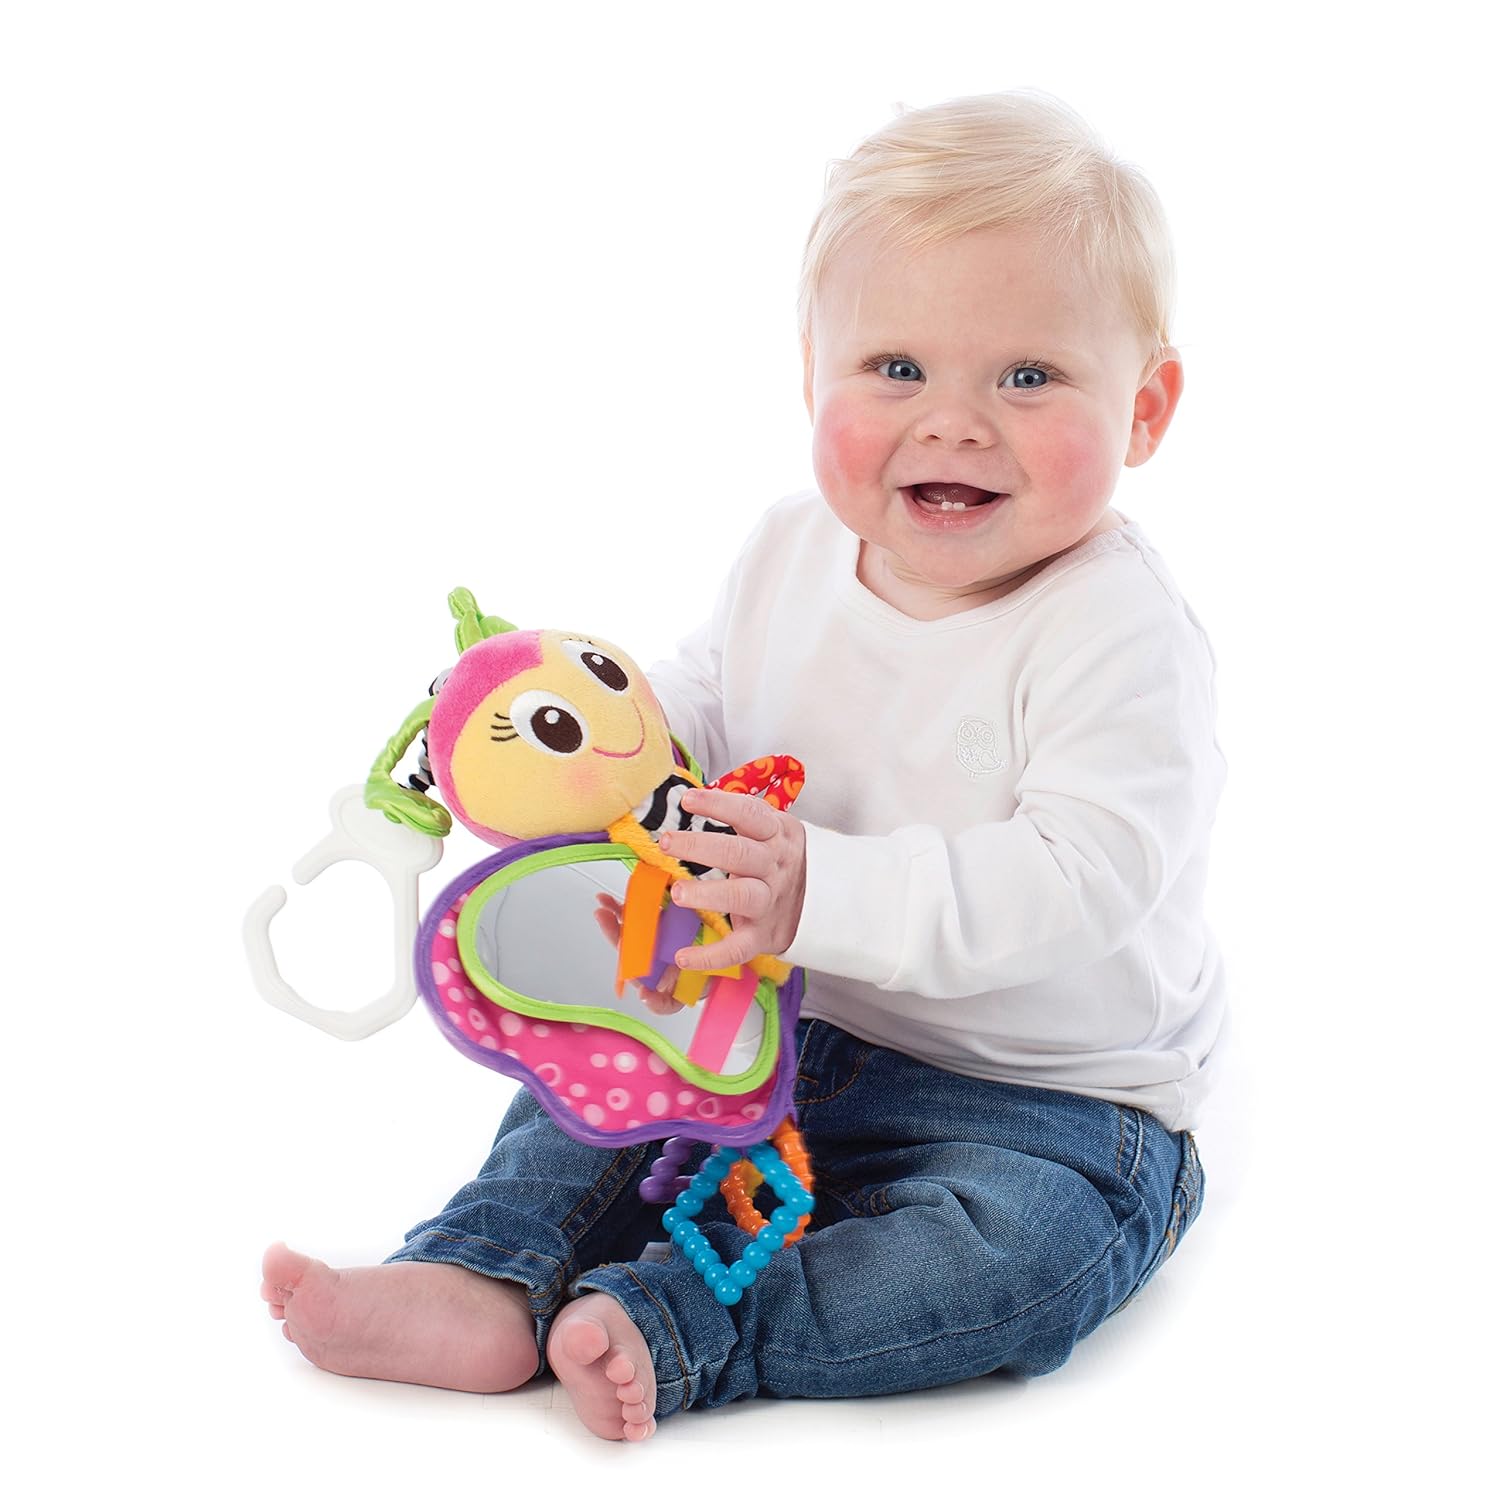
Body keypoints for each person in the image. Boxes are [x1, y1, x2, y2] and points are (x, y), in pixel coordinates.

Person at [260, 90, 1225, 1442]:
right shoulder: (790, 551)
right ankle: (485, 1271)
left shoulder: (1115, 631)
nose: (954, 422)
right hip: (777, 1022)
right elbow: (709, 714)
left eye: (1028, 377)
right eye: (897, 368)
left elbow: (1081, 878)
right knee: (591, 1083)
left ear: (1147, 407)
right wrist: (591, 743)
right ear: (812, 376)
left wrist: (817, 891)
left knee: (1022, 1258)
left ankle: (689, 1323)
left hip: (1039, 1097)